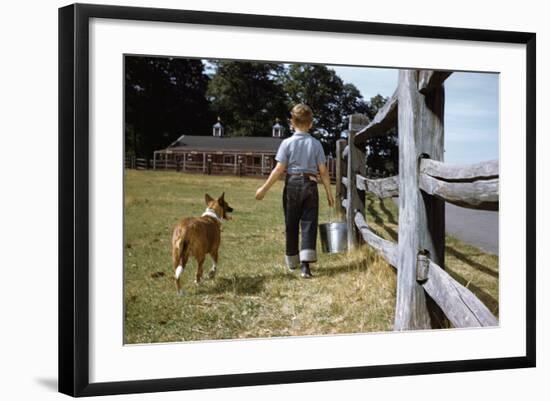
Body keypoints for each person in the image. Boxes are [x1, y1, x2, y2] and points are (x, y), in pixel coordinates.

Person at [255, 104, 334, 278]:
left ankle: (292, 262)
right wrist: (329, 193)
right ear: (311, 124)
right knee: (309, 224)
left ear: (292, 123)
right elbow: (323, 171)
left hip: (292, 185)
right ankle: (305, 267)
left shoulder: (286, 143)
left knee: (291, 224)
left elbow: (278, 169)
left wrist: (263, 189)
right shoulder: (316, 144)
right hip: (310, 185)